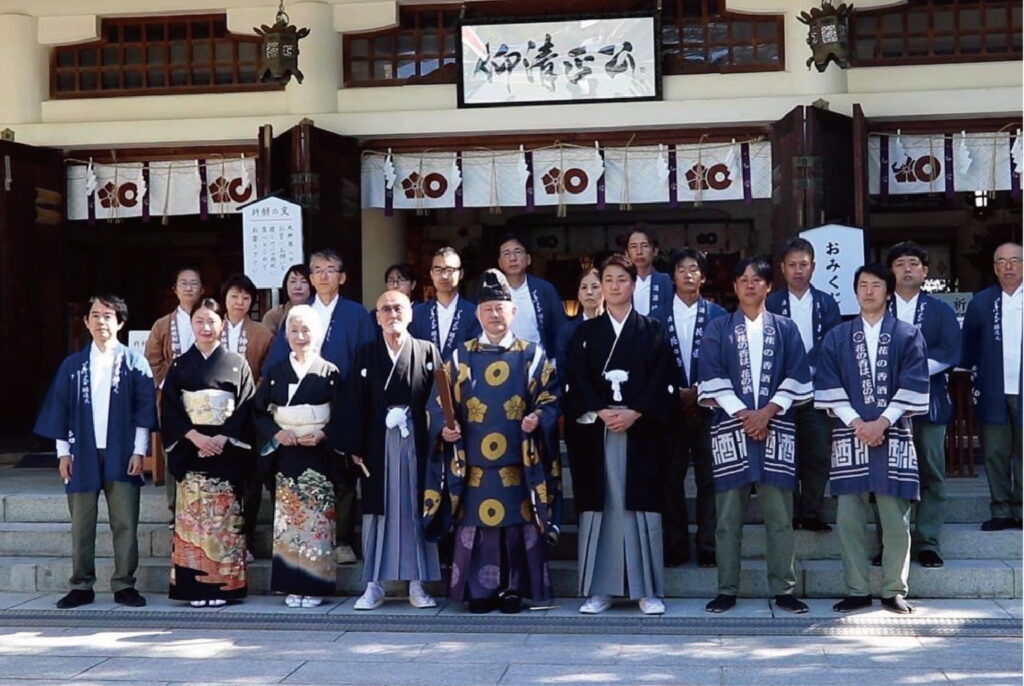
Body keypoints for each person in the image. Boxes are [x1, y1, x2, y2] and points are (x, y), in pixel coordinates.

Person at [425, 269, 561, 614]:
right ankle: (477, 592)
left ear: (513, 312)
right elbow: (438, 402)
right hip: (472, 460)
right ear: (477, 313)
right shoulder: (459, 356)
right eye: (487, 309)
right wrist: (444, 427)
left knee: (517, 526)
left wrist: (538, 417)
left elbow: (551, 397)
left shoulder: (533, 356)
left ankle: (515, 589)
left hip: (518, 457)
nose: (494, 315)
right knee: (476, 525)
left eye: (500, 308)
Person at [698, 255, 813, 615]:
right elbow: (711, 374)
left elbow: (797, 374)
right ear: (734, 287)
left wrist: (767, 412)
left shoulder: (785, 328)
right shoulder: (718, 328)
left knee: (779, 515)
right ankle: (726, 588)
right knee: (728, 517)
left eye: (756, 279)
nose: (750, 284)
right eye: (743, 279)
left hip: (776, 426)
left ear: (768, 286)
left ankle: (784, 588)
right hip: (731, 429)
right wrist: (745, 415)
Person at [815, 263, 930, 615]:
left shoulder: (908, 334)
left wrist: (881, 422)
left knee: (895, 518)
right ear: (855, 291)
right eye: (862, 285)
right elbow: (828, 383)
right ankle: (856, 588)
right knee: (849, 518)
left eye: (876, 285)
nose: (868, 292)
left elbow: (914, 382)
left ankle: (894, 589)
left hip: (893, 433)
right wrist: (858, 423)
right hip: (850, 436)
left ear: (888, 291)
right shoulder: (837, 336)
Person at [566, 254, 677, 615]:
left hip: (641, 431)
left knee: (640, 507)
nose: (614, 286)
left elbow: (663, 379)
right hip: (597, 433)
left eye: (621, 280)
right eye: (608, 280)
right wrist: (600, 409)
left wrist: (635, 411)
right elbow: (576, 379)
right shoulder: (584, 333)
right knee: (603, 505)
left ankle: (647, 590)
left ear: (633, 284)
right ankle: (600, 590)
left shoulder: (653, 330)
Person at [35, 294, 158, 609]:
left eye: (108, 315)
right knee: (82, 522)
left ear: (120, 321)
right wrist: (64, 454)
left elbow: (144, 409)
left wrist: (139, 451)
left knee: (126, 522)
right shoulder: (73, 365)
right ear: (86, 322)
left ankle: (124, 584)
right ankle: (81, 584)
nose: (101, 321)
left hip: (122, 452)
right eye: (95, 315)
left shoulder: (134, 361)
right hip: (82, 453)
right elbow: (59, 411)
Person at [264, 249, 376, 565]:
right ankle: (298, 541)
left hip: (343, 404)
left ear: (342, 276)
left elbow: (365, 362)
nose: (323, 275)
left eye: (330, 269)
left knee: (341, 475)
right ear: (310, 278)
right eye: (317, 270)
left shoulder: (356, 314)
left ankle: (340, 539)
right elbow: (275, 365)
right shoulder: (297, 315)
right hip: (297, 413)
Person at [342, 291, 443, 610]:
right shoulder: (367, 352)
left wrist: (436, 430)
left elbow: (439, 401)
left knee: (416, 506)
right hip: (377, 441)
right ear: (377, 317)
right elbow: (354, 402)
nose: (392, 314)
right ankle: (373, 584)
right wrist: (355, 444)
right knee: (377, 511)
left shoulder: (427, 351)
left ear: (410, 313)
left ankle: (418, 583)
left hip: (416, 438)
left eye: (398, 307)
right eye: (384, 309)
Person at [162, 298, 256, 607]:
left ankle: (223, 587)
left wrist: (223, 437)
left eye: (212, 321)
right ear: (192, 325)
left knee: (224, 523)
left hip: (227, 452)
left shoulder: (236, 364)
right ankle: (192, 589)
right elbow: (171, 410)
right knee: (192, 523)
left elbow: (245, 408)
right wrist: (195, 437)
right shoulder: (179, 365)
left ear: (223, 325)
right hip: (191, 450)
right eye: (200, 321)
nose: (206, 327)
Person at [253, 304, 343, 608]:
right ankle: (292, 584)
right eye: (294, 329)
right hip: (287, 454)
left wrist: (325, 433)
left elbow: (343, 413)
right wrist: (277, 434)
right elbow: (258, 411)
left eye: (306, 329)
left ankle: (315, 584)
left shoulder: (330, 372)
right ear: (285, 334)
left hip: (318, 455)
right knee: (288, 522)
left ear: (317, 333)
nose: (300, 335)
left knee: (317, 522)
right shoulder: (275, 371)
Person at [884, 242, 961, 568]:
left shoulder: (940, 310)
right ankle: (890, 542)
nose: (906, 269)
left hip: (929, 403)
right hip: (885, 409)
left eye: (913, 263)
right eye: (900, 263)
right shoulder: (879, 306)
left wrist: (913, 372)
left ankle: (928, 541)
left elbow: (950, 350)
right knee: (888, 477)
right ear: (891, 271)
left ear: (925, 271)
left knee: (931, 472)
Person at [651, 248, 727, 568]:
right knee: (671, 478)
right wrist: (675, 393)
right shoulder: (656, 316)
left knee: (710, 478)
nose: (688, 274)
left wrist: (701, 391)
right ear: (672, 277)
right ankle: (675, 545)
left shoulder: (718, 315)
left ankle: (708, 544)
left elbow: (726, 362)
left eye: (694, 269)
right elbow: (652, 365)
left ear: (703, 276)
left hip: (709, 406)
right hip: (671, 409)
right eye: (681, 269)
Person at [766, 238, 842, 532]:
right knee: (785, 453)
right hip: (780, 392)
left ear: (814, 267)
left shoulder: (825, 302)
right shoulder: (771, 302)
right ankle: (788, 512)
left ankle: (811, 512)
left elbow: (834, 343)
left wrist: (807, 364)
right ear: (782, 269)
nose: (798, 271)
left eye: (804, 265)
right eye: (792, 265)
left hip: (816, 390)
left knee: (817, 452)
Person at [962, 241, 1023, 531]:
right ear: (995, 267)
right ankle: (1001, 509)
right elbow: (969, 344)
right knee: (996, 453)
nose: (1009, 267)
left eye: (1015, 260)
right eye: (1002, 261)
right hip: (994, 388)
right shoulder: (982, 302)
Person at [220, 273, 275, 560]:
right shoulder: (211, 328)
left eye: (245, 297)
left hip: (250, 413)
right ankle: (222, 538)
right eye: (234, 296)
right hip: (214, 417)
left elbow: (267, 372)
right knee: (221, 477)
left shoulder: (262, 333)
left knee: (250, 480)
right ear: (224, 299)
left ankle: (247, 539)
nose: (239, 302)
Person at [145, 266, 203, 520]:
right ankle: (176, 512)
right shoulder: (162, 325)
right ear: (175, 289)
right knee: (176, 455)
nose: (189, 287)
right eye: (184, 283)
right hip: (174, 400)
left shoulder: (211, 318)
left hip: (207, 400)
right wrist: (171, 384)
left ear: (202, 289)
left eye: (194, 283)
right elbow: (152, 360)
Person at [496, 234, 567, 356]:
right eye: (506, 253)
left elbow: (560, 328)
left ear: (528, 259)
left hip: (538, 361)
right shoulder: (490, 292)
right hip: (499, 363)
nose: (513, 258)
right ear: (500, 263)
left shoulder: (545, 290)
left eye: (518, 252)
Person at [410, 247, 480, 361]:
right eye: (438, 270)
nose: (443, 276)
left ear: (461, 273)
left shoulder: (474, 313)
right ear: (431, 274)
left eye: (449, 270)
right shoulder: (418, 313)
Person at [554, 268, 604, 376]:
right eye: (584, 288)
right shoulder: (567, 331)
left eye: (595, 287)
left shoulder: (615, 325)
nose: (589, 292)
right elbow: (562, 369)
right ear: (579, 295)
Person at [626, 225, 672, 316]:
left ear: (655, 251)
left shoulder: (664, 280)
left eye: (645, 246)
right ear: (626, 253)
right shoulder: (623, 281)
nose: (639, 252)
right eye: (633, 246)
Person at [262, 264, 312, 334]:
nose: (298, 287)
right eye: (293, 281)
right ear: (286, 285)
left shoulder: (320, 311)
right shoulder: (274, 316)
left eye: (304, 282)